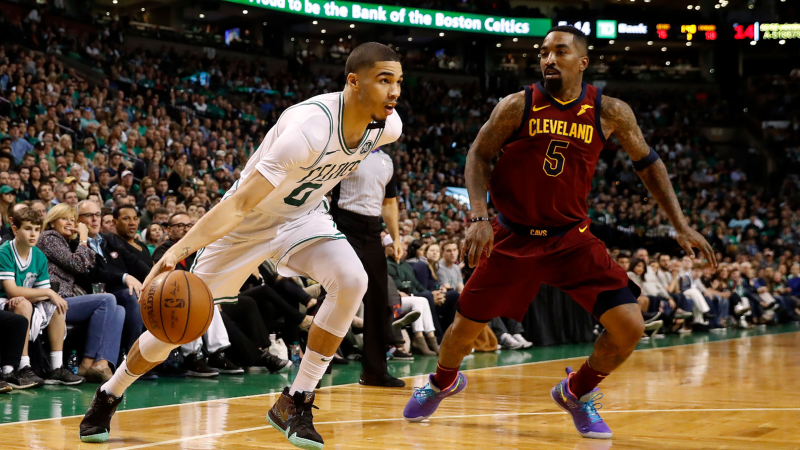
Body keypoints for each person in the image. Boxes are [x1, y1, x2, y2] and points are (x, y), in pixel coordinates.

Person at [79, 42, 404, 449]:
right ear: (354, 82)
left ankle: (296, 399)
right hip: (246, 224)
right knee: (174, 329)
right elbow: (240, 204)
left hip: (303, 217)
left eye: (398, 82)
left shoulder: (387, 126)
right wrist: (176, 251)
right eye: (384, 80)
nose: (394, 91)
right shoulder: (308, 128)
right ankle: (109, 392)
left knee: (352, 279)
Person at [402, 26, 715, 439]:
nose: (549, 59)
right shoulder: (518, 105)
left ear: (582, 62)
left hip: (571, 238)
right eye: (544, 52)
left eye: (560, 52)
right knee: (460, 335)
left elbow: (649, 163)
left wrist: (680, 223)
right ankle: (442, 382)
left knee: (630, 325)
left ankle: (577, 391)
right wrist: (478, 218)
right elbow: (478, 153)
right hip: (512, 236)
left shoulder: (611, 112)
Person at [330, 146, 405, 387]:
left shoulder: (386, 160)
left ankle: (374, 371)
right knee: (331, 296)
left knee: (379, 301)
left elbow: (389, 202)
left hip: (373, 231)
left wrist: (396, 237)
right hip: (343, 224)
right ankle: (317, 368)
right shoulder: (345, 150)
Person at [36, 204, 125, 382]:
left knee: (119, 310)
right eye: (64, 219)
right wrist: (84, 239)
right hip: (51, 302)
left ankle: (102, 363)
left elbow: (87, 264)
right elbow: (76, 264)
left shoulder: (66, 242)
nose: (70, 223)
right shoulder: (49, 238)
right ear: (52, 222)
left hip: (66, 300)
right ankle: (86, 363)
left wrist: (82, 242)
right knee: (107, 300)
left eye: (72, 220)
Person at [0, 208, 85, 387]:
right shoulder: (5, 251)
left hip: (25, 300)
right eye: (28, 229)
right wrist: (45, 293)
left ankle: (56, 367)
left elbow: (39, 294)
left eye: (37, 229)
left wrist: (44, 295)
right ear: (15, 230)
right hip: (3, 302)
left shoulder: (38, 256)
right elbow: (11, 291)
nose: (33, 234)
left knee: (56, 305)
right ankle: (23, 367)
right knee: (24, 304)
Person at [76, 200, 148, 357]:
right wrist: (124, 277)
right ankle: (134, 357)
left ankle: (161, 358)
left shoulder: (109, 240)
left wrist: (158, 279)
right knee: (132, 295)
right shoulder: (76, 244)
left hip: (117, 291)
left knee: (152, 294)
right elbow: (91, 273)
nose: (95, 219)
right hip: (95, 293)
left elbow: (134, 262)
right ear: (77, 220)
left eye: (97, 215)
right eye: (89, 215)